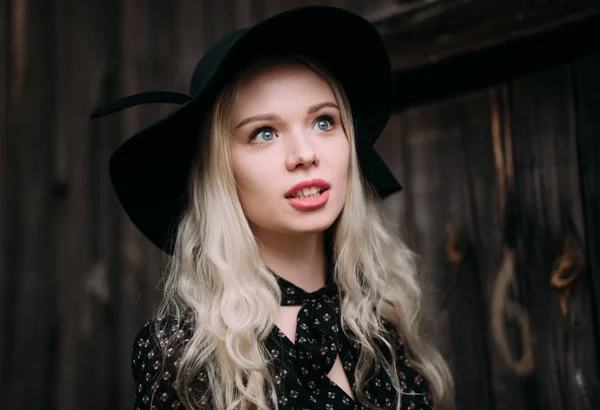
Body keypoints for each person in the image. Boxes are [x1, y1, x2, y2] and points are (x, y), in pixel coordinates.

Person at [91, 5, 455, 410]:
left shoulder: (384, 318)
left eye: (323, 122)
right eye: (264, 133)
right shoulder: (185, 354)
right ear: (221, 171)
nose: (304, 154)